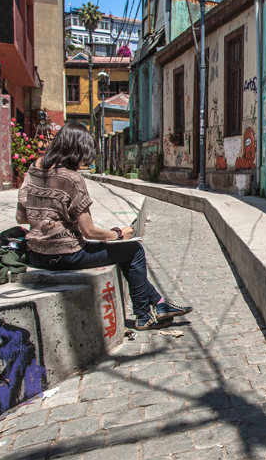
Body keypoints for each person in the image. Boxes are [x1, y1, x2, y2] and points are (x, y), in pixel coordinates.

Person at [16, 123, 193, 331]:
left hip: (35, 252)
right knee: (134, 251)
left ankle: (161, 305)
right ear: (76, 150)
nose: (83, 162)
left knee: (122, 253)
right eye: (84, 156)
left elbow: (21, 217)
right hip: (65, 254)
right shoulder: (72, 179)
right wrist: (119, 234)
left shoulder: (34, 169)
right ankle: (144, 315)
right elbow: (89, 231)